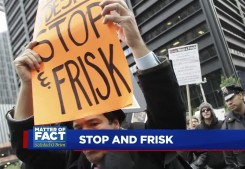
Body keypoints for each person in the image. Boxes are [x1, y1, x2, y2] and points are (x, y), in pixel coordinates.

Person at [6, 1, 189, 169]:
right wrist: (27, 84)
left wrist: (137, 45)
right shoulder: (71, 160)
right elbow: (27, 146)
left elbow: (170, 122)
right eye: (78, 128)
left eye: (93, 123)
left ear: (116, 124)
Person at [190, 102, 227, 169]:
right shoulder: (198, 129)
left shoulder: (221, 124)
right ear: (201, 113)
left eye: (207, 109)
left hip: (226, 164)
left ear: (211, 111)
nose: (205, 111)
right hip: (209, 166)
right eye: (203, 110)